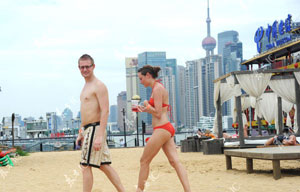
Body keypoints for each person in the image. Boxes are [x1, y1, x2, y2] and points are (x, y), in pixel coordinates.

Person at [136, 65, 191, 192]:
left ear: (148, 76)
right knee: (174, 162)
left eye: (141, 78)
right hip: (166, 128)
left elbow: (158, 113)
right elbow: (158, 110)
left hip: (161, 128)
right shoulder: (157, 88)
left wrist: (147, 107)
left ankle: (139, 190)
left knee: (144, 161)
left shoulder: (157, 89)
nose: (140, 81)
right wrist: (146, 108)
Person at [75, 54, 125, 192]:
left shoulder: (99, 86)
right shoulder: (85, 86)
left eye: (87, 66)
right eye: (82, 67)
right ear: (78, 68)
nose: (85, 69)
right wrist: (80, 132)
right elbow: (85, 112)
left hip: (95, 129)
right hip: (88, 129)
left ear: (93, 67)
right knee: (104, 165)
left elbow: (105, 111)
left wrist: (100, 136)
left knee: (85, 165)